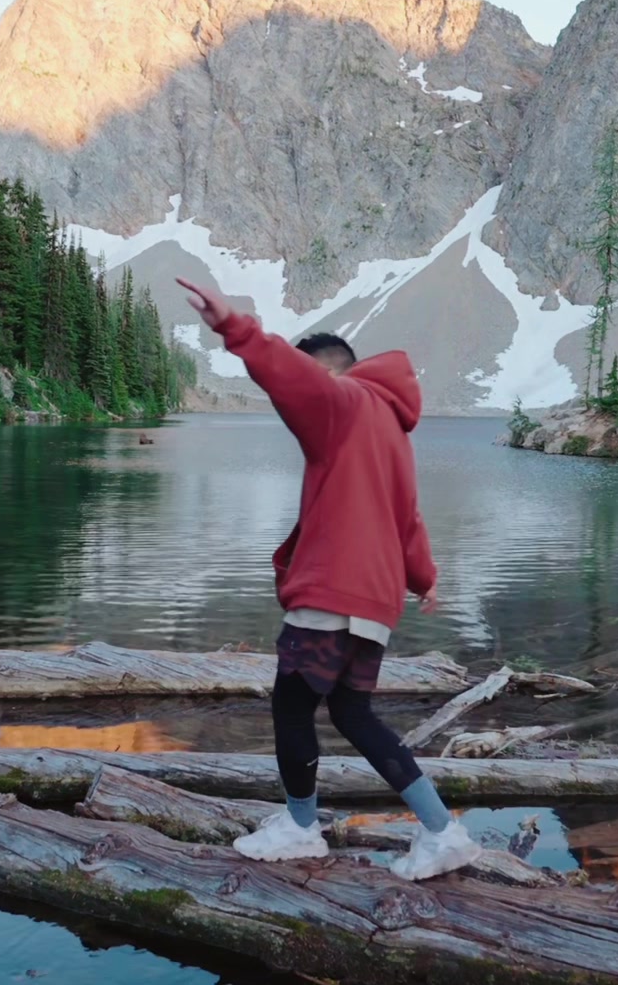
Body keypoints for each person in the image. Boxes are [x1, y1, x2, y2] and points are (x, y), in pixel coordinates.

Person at [177, 278, 478, 879]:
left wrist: (235, 328)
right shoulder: (390, 426)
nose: (296, 407)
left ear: (329, 374)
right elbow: (408, 517)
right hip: (375, 601)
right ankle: (442, 831)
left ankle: (300, 828)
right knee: (351, 713)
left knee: (291, 707)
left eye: (308, 380)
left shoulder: (342, 403)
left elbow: (297, 381)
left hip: (332, 591)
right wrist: (424, 578)